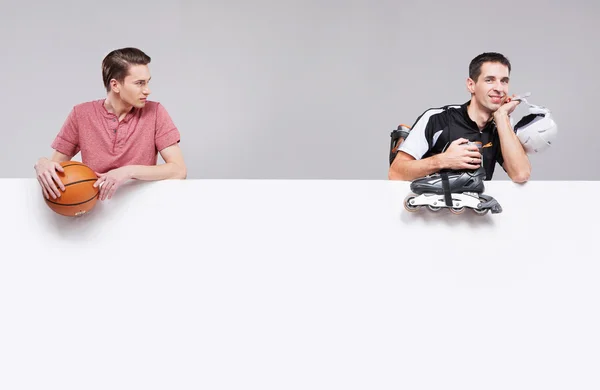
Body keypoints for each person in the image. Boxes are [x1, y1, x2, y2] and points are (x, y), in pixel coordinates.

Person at [34, 47, 187, 201]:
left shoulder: (155, 112)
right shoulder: (81, 114)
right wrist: (42, 163)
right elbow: (56, 164)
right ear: (115, 85)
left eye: (147, 82)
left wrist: (127, 172)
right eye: (139, 83)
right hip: (95, 209)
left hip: (143, 206)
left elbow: (178, 170)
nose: (147, 90)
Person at [388, 52, 531, 183]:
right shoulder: (438, 119)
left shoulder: (501, 127)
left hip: (477, 209)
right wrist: (443, 160)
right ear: (471, 85)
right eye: (489, 80)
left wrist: (501, 116)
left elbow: (521, 174)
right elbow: (395, 173)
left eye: (504, 81)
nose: (499, 88)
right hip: (430, 209)